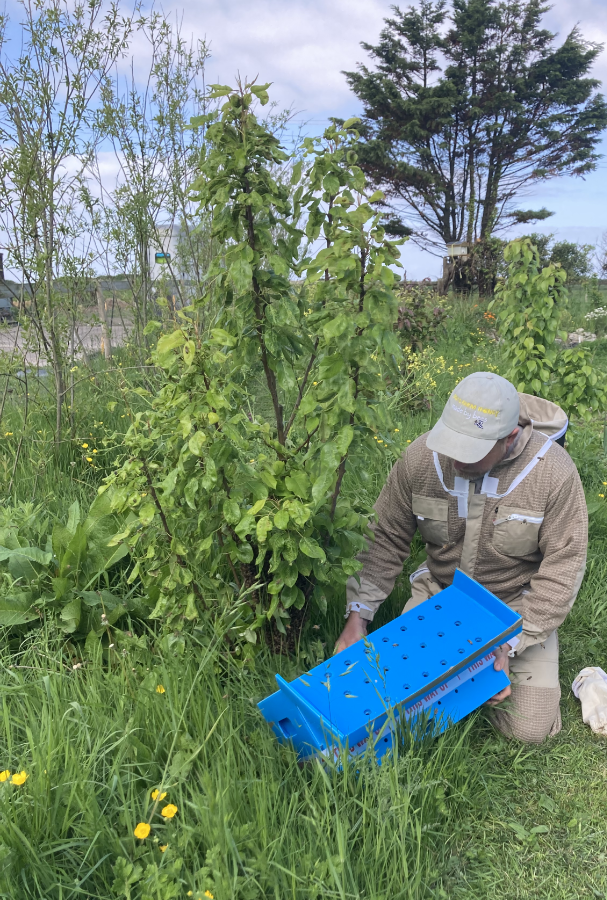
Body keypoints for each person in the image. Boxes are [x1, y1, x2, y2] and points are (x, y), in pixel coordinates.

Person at [336, 372, 588, 742]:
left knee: (530, 730)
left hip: (514, 608)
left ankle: (498, 667)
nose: (456, 461)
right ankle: (459, 680)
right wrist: (357, 616)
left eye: (471, 452)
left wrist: (506, 643)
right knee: (392, 707)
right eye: (452, 444)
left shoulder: (554, 473)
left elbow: (562, 573)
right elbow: (384, 538)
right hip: (440, 595)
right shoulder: (419, 459)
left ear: (510, 437)